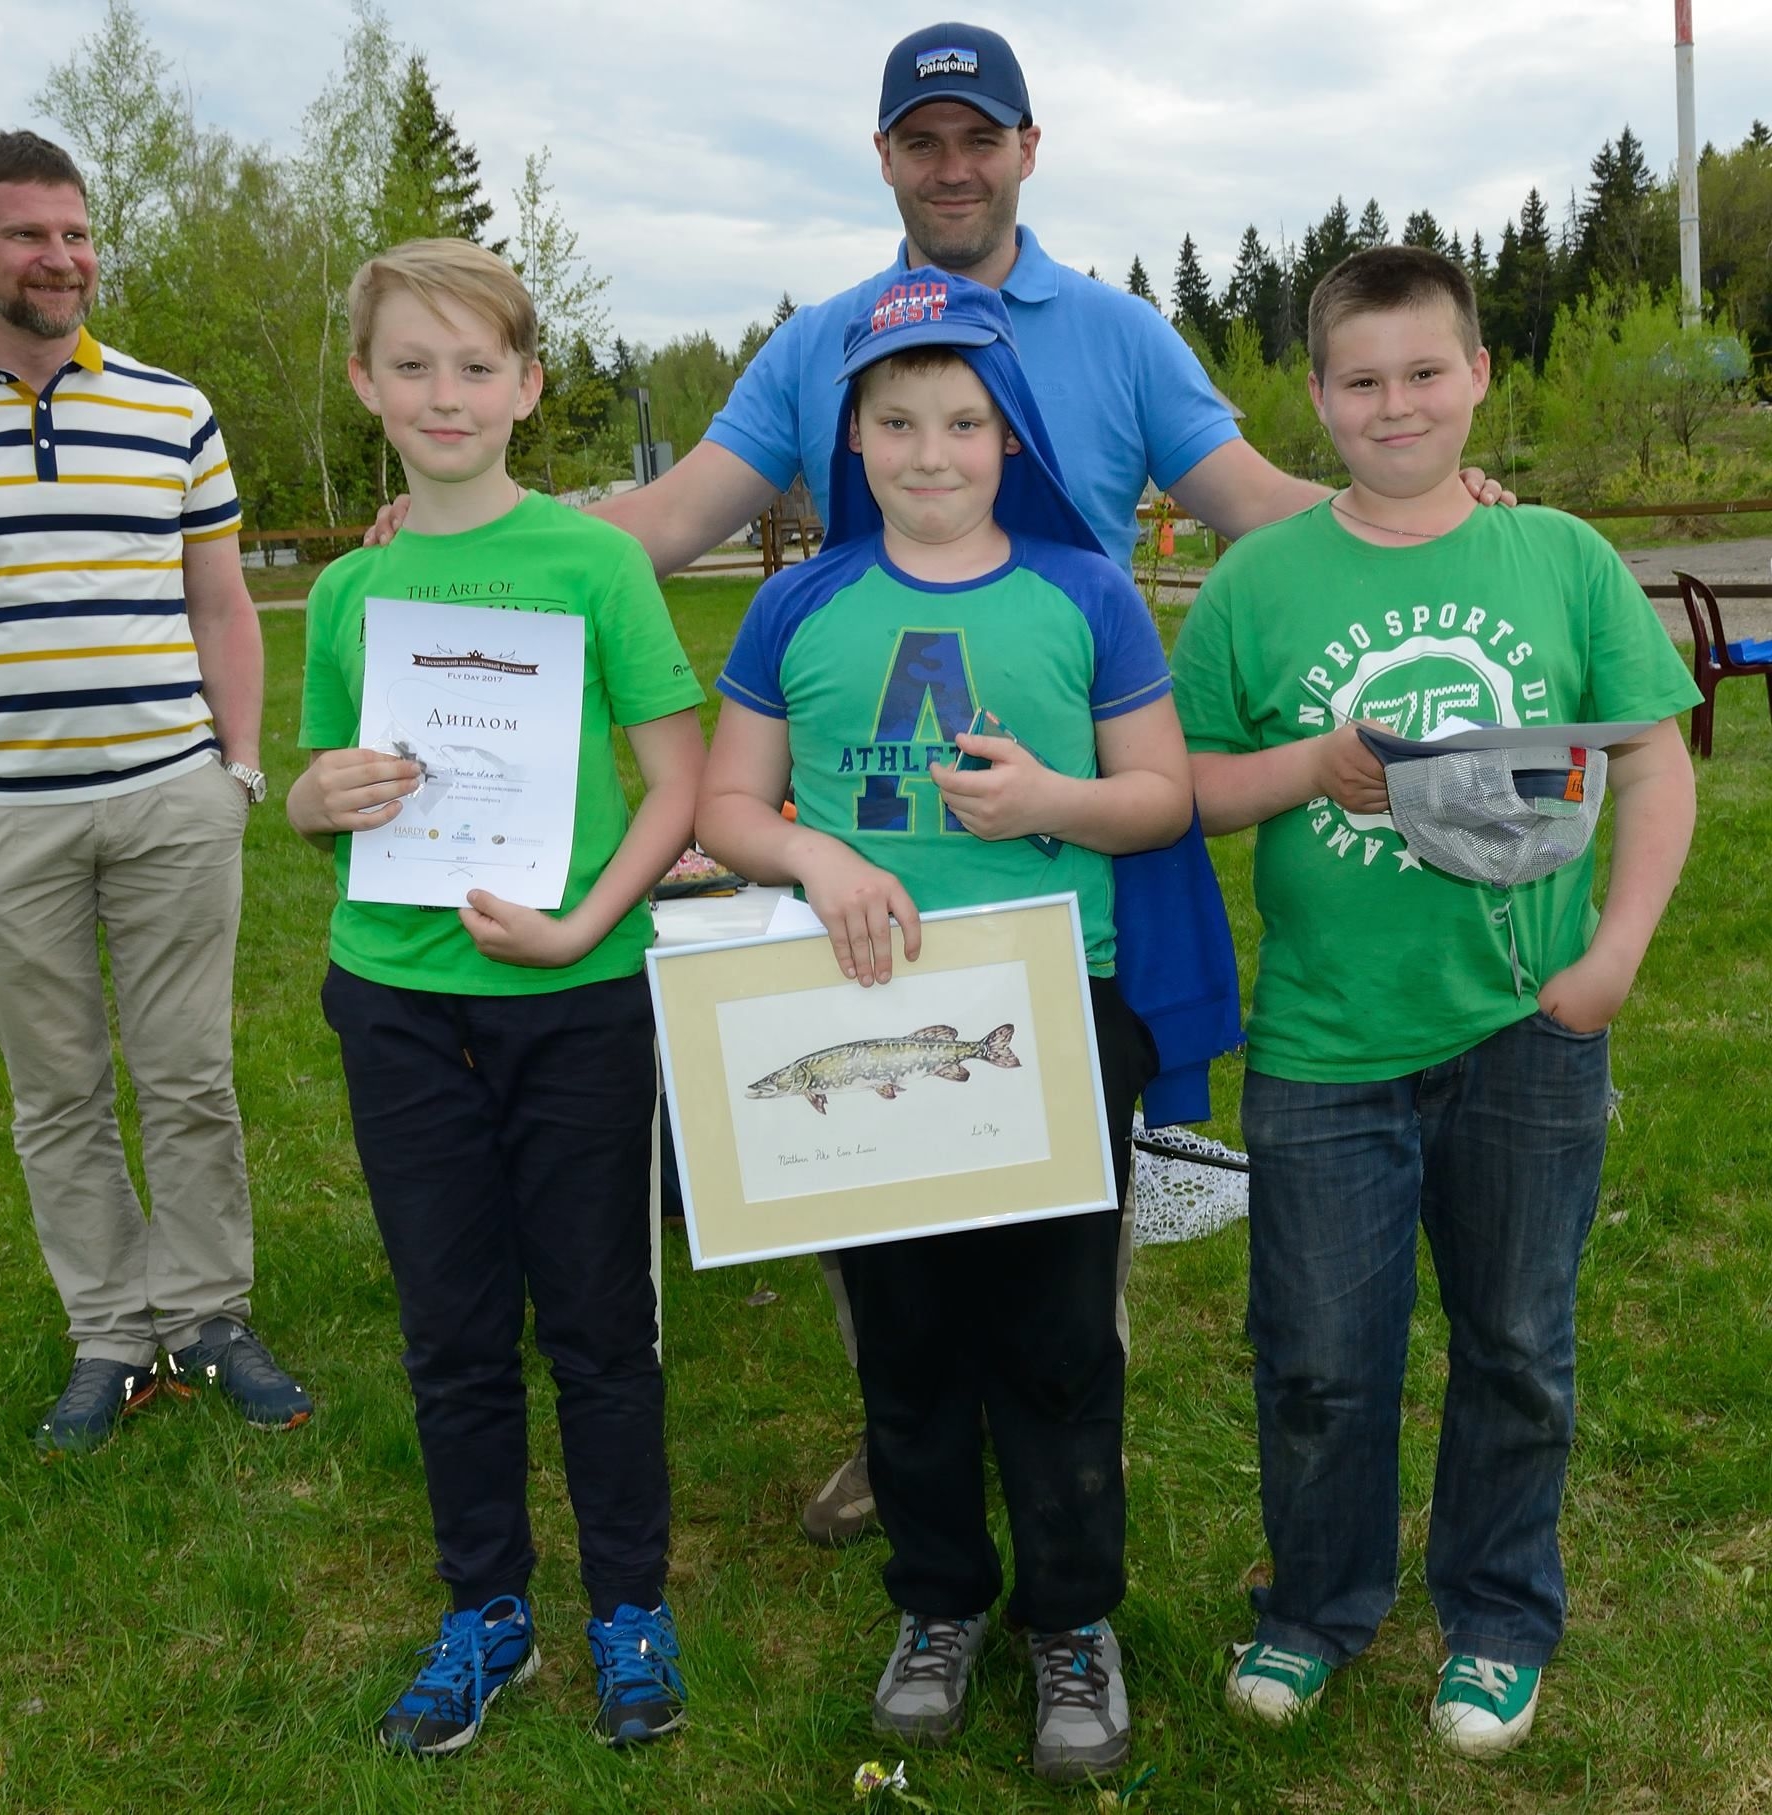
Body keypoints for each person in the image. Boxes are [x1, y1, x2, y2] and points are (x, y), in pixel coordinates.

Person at [366, 20, 1511, 1547]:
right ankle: (901, 1424)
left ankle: (1060, 1420)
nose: (954, 165)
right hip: (873, 844)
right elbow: (663, 518)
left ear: (1029, 149)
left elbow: (1256, 505)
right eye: (924, 140)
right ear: (888, 157)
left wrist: (1429, 501)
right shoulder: (820, 339)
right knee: (865, 1140)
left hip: (1078, 801)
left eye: (982, 137)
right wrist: (475, 527)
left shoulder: (1115, 332)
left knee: (1066, 1143)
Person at [1168, 246, 1700, 1756]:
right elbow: (1192, 783)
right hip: (1326, 1044)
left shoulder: (1562, 560)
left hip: (1525, 1028)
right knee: (1321, 1360)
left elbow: (1653, 757)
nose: (1394, 405)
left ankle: (1496, 1613)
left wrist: (1613, 960)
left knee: (1518, 1342)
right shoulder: (1261, 581)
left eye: (1423, 373)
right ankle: (1314, 1607)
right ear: (1316, 399)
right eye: (1359, 380)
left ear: (1477, 377)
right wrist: (1314, 768)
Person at [696, 268, 1193, 1782]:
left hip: (1051, 1005)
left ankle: (1070, 1620)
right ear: (850, 437)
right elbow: (725, 804)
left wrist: (1051, 803)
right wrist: (819, 851)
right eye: (896, 420)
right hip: (859, 1010)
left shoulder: (1086, 591)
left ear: (1008, 435)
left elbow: (1161, 796)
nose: (930, 451)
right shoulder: (801, 601)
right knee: (903, 1338)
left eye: (963, 421)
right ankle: (938, 1603)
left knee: (1054, 1339)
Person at [0, 130, 309, 1456]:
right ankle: (111, 1333)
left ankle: (209, 1319)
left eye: (77, 232)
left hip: (172, 803)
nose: (62, 258)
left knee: (190, 1076)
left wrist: (239, 769)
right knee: (58, 1093)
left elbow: (223, 600)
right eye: (29, 234)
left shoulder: (172, 408)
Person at [286, 239, 707, 1757]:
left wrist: (590, 919)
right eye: (412, 365)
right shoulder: (349, 588)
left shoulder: (593, 562)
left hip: (576, 995)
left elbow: (679, 778)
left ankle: (627, 1608)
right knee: (452, 1327)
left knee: (599, 1321)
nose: (443, 394)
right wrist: (310, 797)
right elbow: (320, 787)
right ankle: (488, 1612)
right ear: (364, 385)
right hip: (395, 999)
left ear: (529, 387)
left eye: (476, 366)